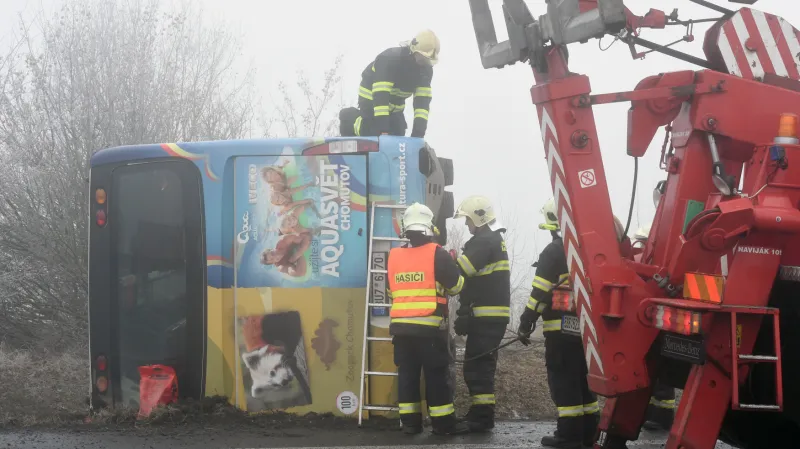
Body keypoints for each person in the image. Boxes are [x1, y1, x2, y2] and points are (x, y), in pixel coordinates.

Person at [517, 198, 599, 449]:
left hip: (560, 335)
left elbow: (540, 292)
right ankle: (589, 434)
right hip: (586, 334)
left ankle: (569, 436)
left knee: (564, 383)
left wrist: (526, 321)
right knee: (585, 383)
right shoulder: (588, 249)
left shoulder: (554, 251)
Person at [386, 202, 469, 436]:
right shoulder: (437, 253)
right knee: (435, 376)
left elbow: (392, 292)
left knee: (408, 376)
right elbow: (456, 286)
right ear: (429, 226)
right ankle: (443, 425)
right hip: (430, 330)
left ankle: (410, 424)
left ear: (406, 228)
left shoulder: (394, 256)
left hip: (401, 330)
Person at [451, 195, 510, 433]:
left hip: (486, 317)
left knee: (478, 368)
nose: (466, 225)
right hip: (489, 316)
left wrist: (442, 261)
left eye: (468, 219)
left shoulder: (484, 241)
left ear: (478, 217)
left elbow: (460, 272)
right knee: (481, 367)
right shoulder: (493, 240)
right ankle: (479, 413)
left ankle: (482, 418)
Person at [339, 30, 438, 138]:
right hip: (372, 99)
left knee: (398, 134)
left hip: (395, 107)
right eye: (422, 58)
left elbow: (422, 106)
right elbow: (381, 96)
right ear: (414, 51)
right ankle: (349, 119)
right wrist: (383, 131)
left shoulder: (425, 72)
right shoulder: (389, 60)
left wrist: (418, 136)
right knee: (372, 133)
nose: (424, 63)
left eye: (428, 60)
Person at [631, 225, 677, 432]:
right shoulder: (651, 258)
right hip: (654, 318)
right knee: (654, 370)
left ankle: (663, 416)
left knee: (660, 371)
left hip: (657, 318)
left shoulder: (652, 258)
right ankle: (654, 415)